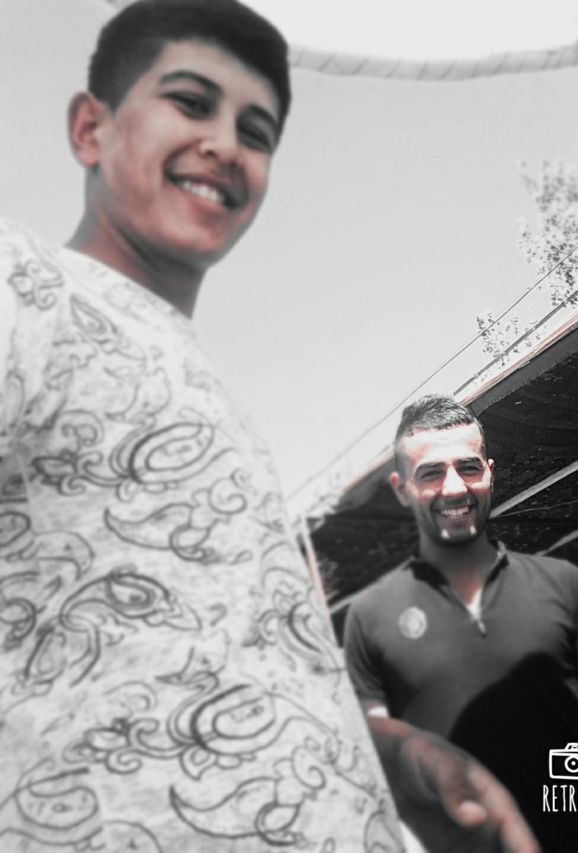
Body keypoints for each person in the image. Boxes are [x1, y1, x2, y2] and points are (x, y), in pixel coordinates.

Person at [0, 3, 538, 851]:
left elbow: (219, 666)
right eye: (190, 102)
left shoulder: (210, 393)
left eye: (257, 131)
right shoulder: (25, 288)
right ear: (89, 129)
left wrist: (393, 759)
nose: (227, 144)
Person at [344, 393, 578, 852]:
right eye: (431, 473)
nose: (454, 489)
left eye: (468, 467)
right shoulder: (369, 616)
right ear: (401, 489)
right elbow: (379, 760)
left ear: (489, 472)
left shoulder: (563, 582)